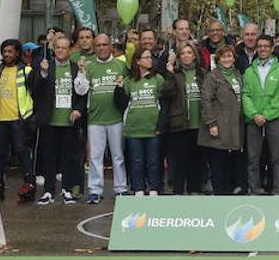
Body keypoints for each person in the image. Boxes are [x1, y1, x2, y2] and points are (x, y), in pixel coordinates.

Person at [76, 34, 129, 203]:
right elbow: (81, 90)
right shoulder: (89, 66)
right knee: (95, 157)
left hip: (116, 118)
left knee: (118, 155)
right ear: (94, 47)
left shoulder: (121, 65)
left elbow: (127, 89)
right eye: (98, 45)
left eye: (105, 44)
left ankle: (121, 188)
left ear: (110, 46)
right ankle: (95, 190)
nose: (101, 48)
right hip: (95, 119)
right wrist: (81, 72)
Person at [34, 36, 86, 205]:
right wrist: (42, 73)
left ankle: (67, 189)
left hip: (69, 122)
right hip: (50, 121)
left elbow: (81, 92)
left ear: (69, 50)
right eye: (58, 48)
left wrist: (78, 109)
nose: (61, 50)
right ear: (54, 49)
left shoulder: (75, 68)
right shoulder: (45, 66)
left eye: (64, 48)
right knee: (49, 157)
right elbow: (35, 91)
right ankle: (48, 190)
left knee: (68, 157)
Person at [242, 35, 279, 195]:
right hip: (253, 119)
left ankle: (278, 189)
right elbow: (245, 95)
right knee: (253, 158)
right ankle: (254, 188)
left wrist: (266, 115)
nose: (262, 49)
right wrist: (255, 114)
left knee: (277, 157)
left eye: (266, 46)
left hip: (274, 119)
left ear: (271, 48)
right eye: (260, 46)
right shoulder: (249, 71)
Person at [114, 48, 164, 196]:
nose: (150, 60)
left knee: (153, 161)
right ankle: (138, 188)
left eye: (150, 57)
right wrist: (119, 88)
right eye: (146, 57)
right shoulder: (129, 80)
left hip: (153, 128)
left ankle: (154, 188)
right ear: (137, 61)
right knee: (136, 161)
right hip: (133, 128)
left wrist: (160, 124)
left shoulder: (158, 79)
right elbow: (121, 103)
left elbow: (163, 103)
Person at [161, 42, 206, 195]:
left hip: (199, 124)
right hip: (180, 124)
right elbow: (166, 92)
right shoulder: (176, 74)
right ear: (179, 57)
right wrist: (170, 73)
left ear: (194, 55)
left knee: (196, 161)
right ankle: (178, 191)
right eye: (183, 53)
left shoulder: (202, 73)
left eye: (189, 52)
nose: (186, 56)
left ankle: (195, 189)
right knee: (178, 161)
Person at [200, 45, 244, 195]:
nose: (227, 59)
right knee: (218, 162)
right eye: (223, 57)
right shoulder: (212, 77)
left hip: (234, 125)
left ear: (234, 58)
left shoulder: (238, 74)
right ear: (218, 59)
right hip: (219, 124)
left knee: (232, 161)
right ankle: (220, 193)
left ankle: (230, 191)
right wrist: (211, 123)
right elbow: (206, 101)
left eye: (229, 56)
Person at [0, 39, 36, 201]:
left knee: (21, 151)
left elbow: (36, 92)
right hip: (0, 119)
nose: (6, 54)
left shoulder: (26, 71)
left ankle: (29, 183)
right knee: (0, 153)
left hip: (19, 119)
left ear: (17, 53)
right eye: (4, 51)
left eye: (10, 51)